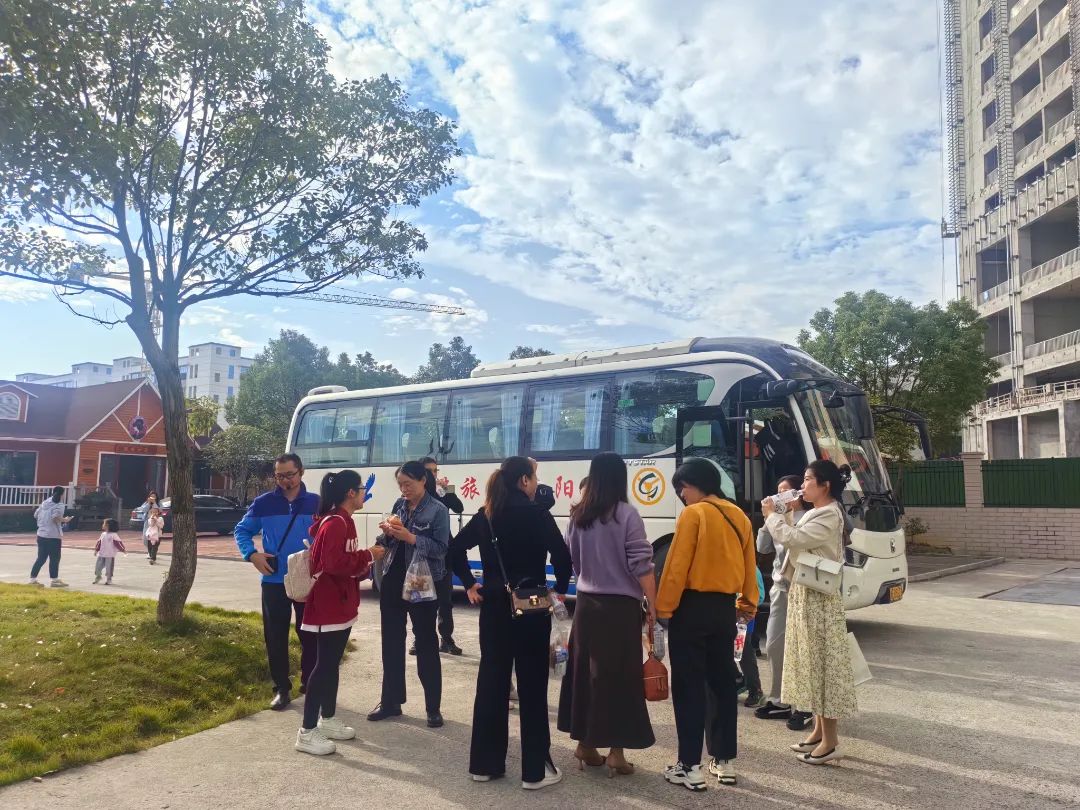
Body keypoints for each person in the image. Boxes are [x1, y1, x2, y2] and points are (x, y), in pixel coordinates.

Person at [450, 456, 572, 790]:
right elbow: (562, 557)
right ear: (523, 480)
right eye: (533, 477)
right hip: (531, 605)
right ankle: (536, 771)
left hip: (493, 607)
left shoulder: (486, 516)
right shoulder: (538, 515)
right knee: (532, 685)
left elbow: (454, 549)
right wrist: (558, 590)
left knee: (492, 680)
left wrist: (470, 583)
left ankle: (484, 765)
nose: (535, 483)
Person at [656, 458, 758, 791]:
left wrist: (664, 608)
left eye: (681, 489)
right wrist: (747, 604)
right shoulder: (739, 516)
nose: (681, 496)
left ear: (691, 484)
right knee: (722, 684)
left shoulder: (694, 514)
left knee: (688, 687)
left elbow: (676, 567)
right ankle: (725, 761)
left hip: (691, 609)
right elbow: (748, 564)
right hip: (724, 610)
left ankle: (689, 766)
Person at [557, 452, 655, 777]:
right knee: (621, 678)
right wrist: (653, 606)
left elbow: (574, 562)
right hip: (620, 609)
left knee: (586, 673)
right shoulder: (627, 514)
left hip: (586, 606)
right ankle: (616, 752)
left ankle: (586, 745)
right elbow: (641, 564)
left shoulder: (577, 516)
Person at [763, 460, 858, 765]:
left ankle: (830, 743)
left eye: (807, 480)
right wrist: (786, 512)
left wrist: (771, 517)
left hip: (818, 600)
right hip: (807, 593)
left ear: (824, 485)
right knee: (811, 666)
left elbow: (794, 540)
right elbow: (795, 539)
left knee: (822, 669)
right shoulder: (818, 511)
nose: (802, 486)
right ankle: (818, 732)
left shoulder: (829, 514)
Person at [295, 470, 386, 756]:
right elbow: (333, 563)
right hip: (328, 604)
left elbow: (343, 564)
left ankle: (328, 718)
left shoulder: (343, 521)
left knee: (331, 663)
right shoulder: (335, 523)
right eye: (361, 489)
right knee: (323, 666)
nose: (364, 493)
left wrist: (362, 564)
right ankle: (307, 732)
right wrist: (368, 555)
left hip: (341, 602)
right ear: (350, 492)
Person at [368, 460, 450, 728]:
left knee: (425, 640)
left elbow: (441, 548)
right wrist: (387, 535)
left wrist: (410, 537)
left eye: (408, 484)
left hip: (421, 580)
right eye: (401, 485)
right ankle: (390, 701)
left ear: (423, 481)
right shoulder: (399, 506)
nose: (404, 490)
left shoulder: (437, 510)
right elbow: (392, 541)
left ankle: (433, 707)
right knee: (391, 640)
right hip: (393, 577)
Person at [234, 453, 320, 710]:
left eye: (289, 474)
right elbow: (242, 530)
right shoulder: (263, 503)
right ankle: (281, 688)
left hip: (307, 580)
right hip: (273, 579)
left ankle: (311, 681)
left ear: (301, 472)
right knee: (275, 635)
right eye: (279, 475)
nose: (284, 480)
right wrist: (252, 554)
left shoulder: (317, 503)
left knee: (310, 634)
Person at [755, 475, 808, 725]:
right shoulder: (775, 519)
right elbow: (762, 547)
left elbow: (794, 541)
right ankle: (779, 699)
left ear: (798, 493)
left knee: (804, 648)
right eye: (777, 491)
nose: (780, 496)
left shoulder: (807, 517)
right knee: (775, 644)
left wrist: (776, 519)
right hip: (780, 588)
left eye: (785, 491)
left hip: (804, 588)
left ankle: (806, 705)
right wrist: (768, 520)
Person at [410, 456, 465, 657]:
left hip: (443, 554)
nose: (434, 475)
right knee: (419, 600)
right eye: (429, 471)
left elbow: (459, 508)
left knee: (445, 600)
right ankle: (419, 638)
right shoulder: (414, 498)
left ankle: (446, 639)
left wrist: (448, 490)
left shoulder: (441, 494)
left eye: (436, 470)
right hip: (420, 556)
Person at [29, 485, 71, 588]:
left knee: (41, 558)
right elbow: (55, 518)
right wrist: (66, 520)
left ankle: (32, 579)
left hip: (41, 534)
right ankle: (54, 580)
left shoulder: (45, 503)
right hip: (53, 536)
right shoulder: (60, 505)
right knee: (55, 558)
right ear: (62, 494)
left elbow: (35, 515)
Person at [93, 518, 127, 585]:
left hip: (110, 555)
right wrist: (96, 550)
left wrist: (123, 550)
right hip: (101, 554)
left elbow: (118, 543)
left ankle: (109, 579)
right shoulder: (103, 534)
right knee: (98, 567)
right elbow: (99, 542)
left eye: (104, 524)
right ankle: (98, 576)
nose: (102, 525)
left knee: (109, 569)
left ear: (108, 526)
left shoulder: (114, 535)